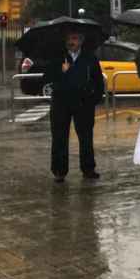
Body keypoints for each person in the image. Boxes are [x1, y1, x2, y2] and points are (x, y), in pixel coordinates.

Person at [44, 29, 105, 182]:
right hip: (61, 104)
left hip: (83, 104)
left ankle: (88, 169)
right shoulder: (58, 57)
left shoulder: (90, 58)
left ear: (81, 40)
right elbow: (47, 78)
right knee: (59, 138)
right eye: (69, 38)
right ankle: (59, 171)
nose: (72, 41)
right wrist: (61, 71)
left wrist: (93, 99)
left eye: (75, 38)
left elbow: (98, 81)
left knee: (86, 138)